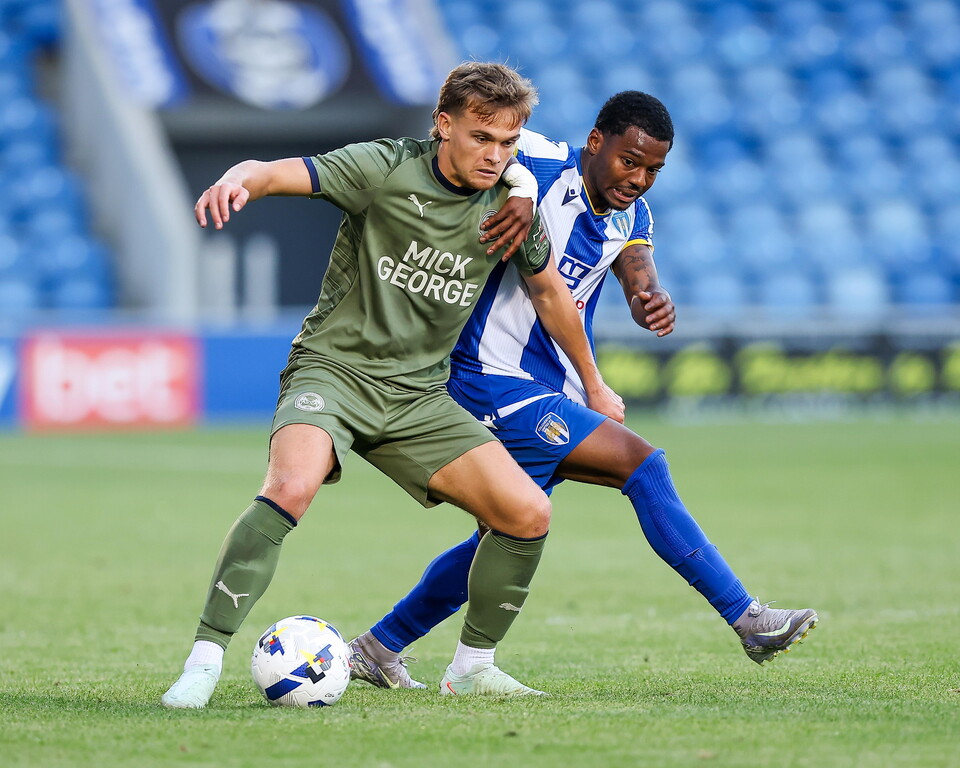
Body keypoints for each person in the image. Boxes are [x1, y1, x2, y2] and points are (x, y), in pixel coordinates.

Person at [160, 62, 626, 708]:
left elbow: (550, 295)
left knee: (527, 512)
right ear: (443, 125)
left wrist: (594, 384)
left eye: (507, 142)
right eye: (481, 137)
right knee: (291, 487)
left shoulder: (512, 207)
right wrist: (238, 180)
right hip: (335, 371)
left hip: (418, 398)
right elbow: (273, 172)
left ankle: (472, 667)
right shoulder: (383, 168)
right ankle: (204, 660)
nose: (495, 155)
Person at [347, 91, 819, 692]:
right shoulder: (540, 161)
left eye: (653, 170)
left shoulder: (632, 216)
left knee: (504, 533)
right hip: (487, 375)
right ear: (596, 142)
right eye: (629, 161)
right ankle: (747, 618)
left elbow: (637, 273)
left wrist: (651, 298)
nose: (638, 179)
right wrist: (518, 190)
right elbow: (473, 137)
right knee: (642, 465)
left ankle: (379, 647)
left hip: (549, 388)